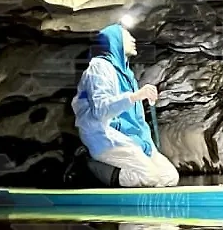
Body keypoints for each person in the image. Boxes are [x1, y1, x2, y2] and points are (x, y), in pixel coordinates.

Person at [71, 23, 179, 188]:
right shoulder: (99, 67)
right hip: (105, 137)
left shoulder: (127, 75)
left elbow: (137, 120)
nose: (134, 40)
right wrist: (136, 96)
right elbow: (100, 109)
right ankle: (89, 167)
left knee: (169, 178)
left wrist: (146, 144)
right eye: (128, 36)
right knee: (149, 178)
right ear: (115, 41)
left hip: (132, 139)